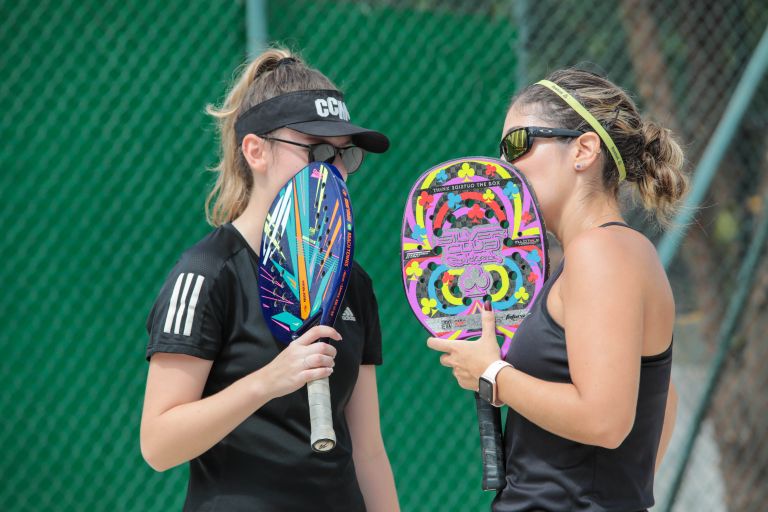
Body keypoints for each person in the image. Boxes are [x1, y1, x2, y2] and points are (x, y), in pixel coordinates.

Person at [140, 48, 399, 512]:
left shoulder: (351, 280)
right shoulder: (207, 273)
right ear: (256, 150)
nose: (333, 170)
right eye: (316, 151)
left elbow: (368, 450)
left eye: (344, 155)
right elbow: (159, 444)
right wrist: (268, 380)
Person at [427, 68, 687, 511]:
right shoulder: (601, 254)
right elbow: (664, 397)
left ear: (583, 150)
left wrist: (494, 375)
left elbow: (605, 419)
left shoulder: (601, 252)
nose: (505, 166)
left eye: (518, 145)